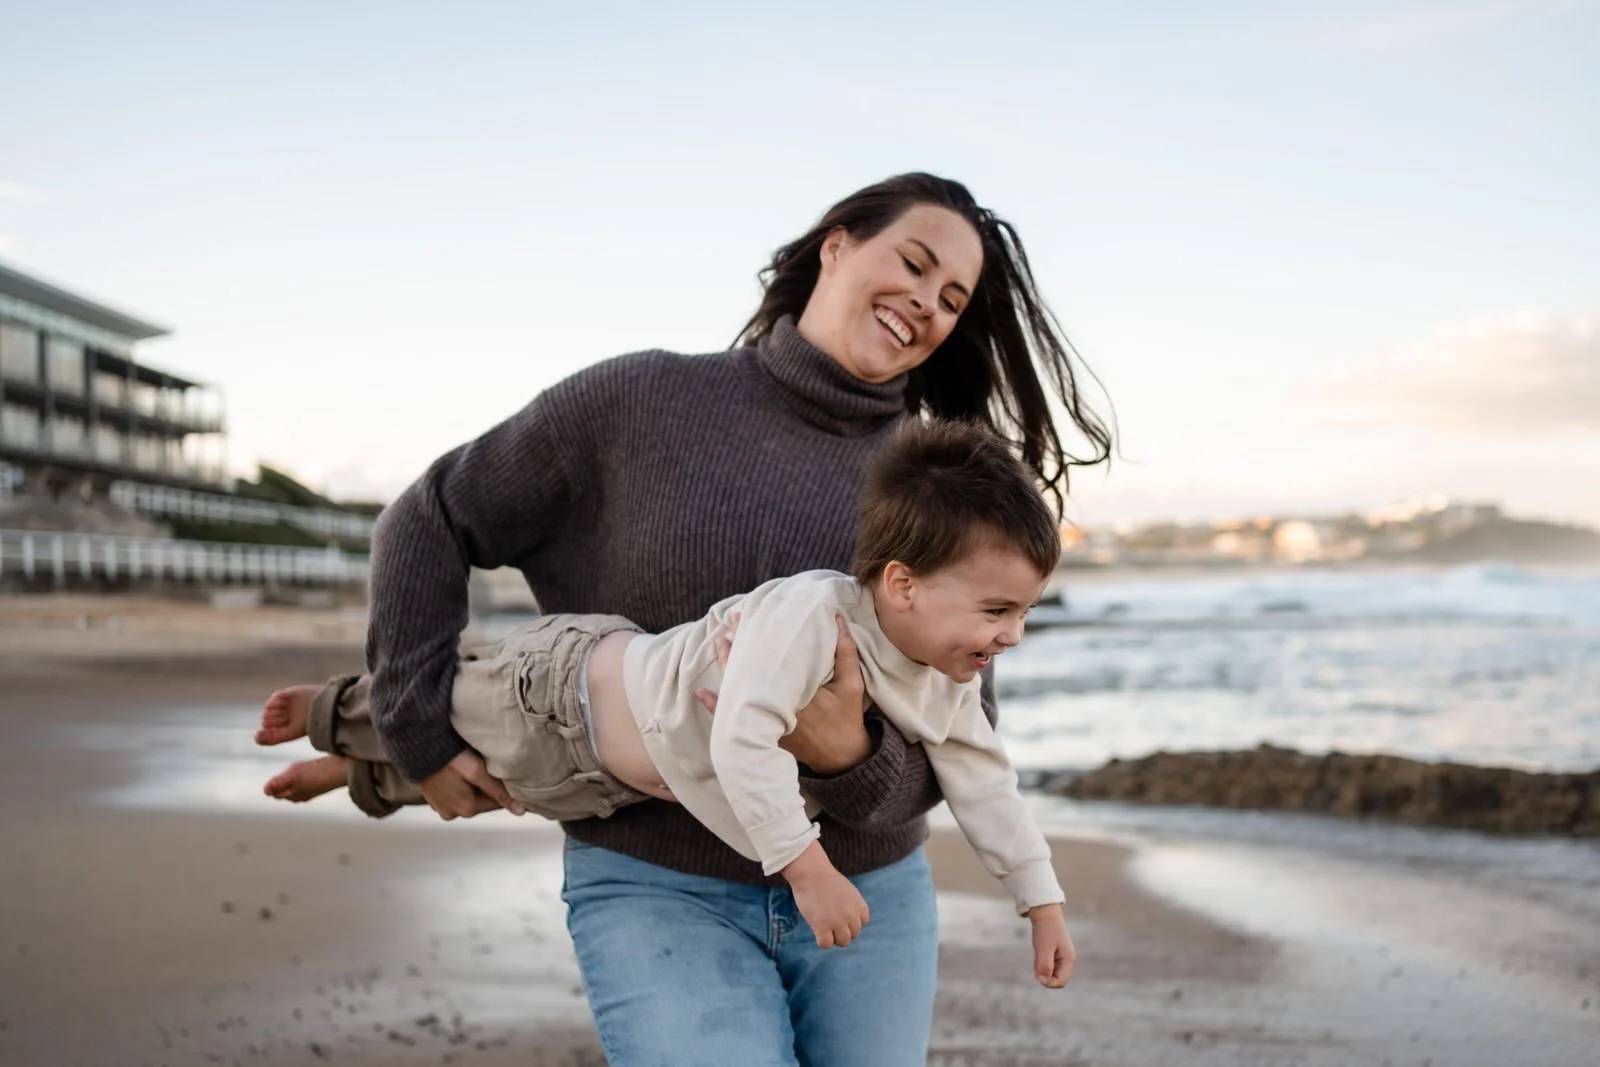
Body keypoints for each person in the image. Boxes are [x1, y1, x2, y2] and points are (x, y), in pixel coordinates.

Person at [338, 172, 1111, 1067]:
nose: (926, 304)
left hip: (872, 895)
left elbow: (961, 753)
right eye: (913, 262)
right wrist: (418, 731)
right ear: (836, 245)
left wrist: (844, 758)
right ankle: (350, 742)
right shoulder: (640, 403)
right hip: (659, 883)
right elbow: (429, 515)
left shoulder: (939, 485)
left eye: (952, 297)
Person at [258, 419, 1077, 986]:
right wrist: (810, 867)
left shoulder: (947, 679)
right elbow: (741, 742)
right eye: (997, 611)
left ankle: (347, 775)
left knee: (486, 786)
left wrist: (1040, 903)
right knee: (450, 714)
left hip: (606, 781)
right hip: (567, 697)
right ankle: (335, 710)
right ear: (901, 583)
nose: (1012, 636)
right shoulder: (813, 617)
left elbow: (985, 783)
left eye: (1027, 612)